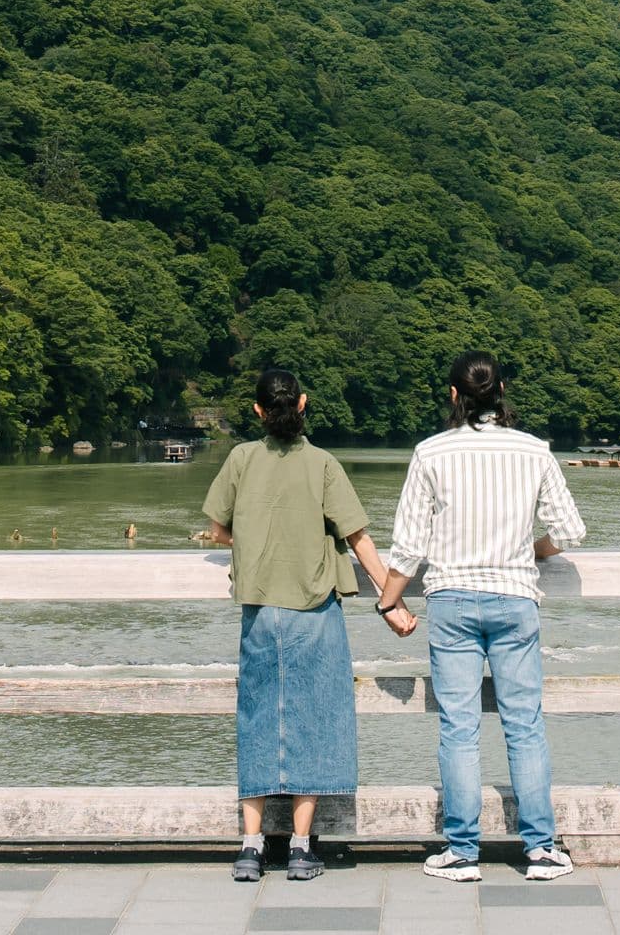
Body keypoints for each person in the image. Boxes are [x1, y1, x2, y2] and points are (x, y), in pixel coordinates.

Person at [201, 367, 415, 883]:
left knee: (257, 717)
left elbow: (217, 529)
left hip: (260, 609)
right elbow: (359, 539)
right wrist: (391, 602)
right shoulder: (322, 463)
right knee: (314, 717)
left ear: (258, 410)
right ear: (302, 404)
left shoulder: (240, 458)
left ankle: (250, 847)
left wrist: (256, 540)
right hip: (315, 610)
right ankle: (300, 847)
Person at [384, 350, 587, 882]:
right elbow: (569, 532)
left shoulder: (430, 452)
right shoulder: (534, 450)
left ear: (453, 395)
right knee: (525, 725)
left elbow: (408, 547)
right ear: (502, 392)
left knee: (459, 728)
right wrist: (532, 550)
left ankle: (462, 851)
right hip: (515, 596)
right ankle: (540, 850)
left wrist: (388, 600)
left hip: (451, 598)